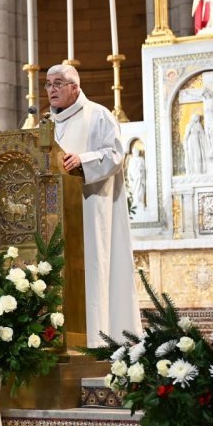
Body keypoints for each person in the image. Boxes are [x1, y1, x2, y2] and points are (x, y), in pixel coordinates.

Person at [45, 64, 140, 347]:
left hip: (90, 207)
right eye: (48, 84)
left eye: (58, 83)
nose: (51, 90)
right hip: (56, 215)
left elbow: (115, 154)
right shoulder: (45, 125)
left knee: (94, 270)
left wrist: (82, 161)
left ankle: (98, 339)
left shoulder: (98, 115)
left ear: (75, 87)